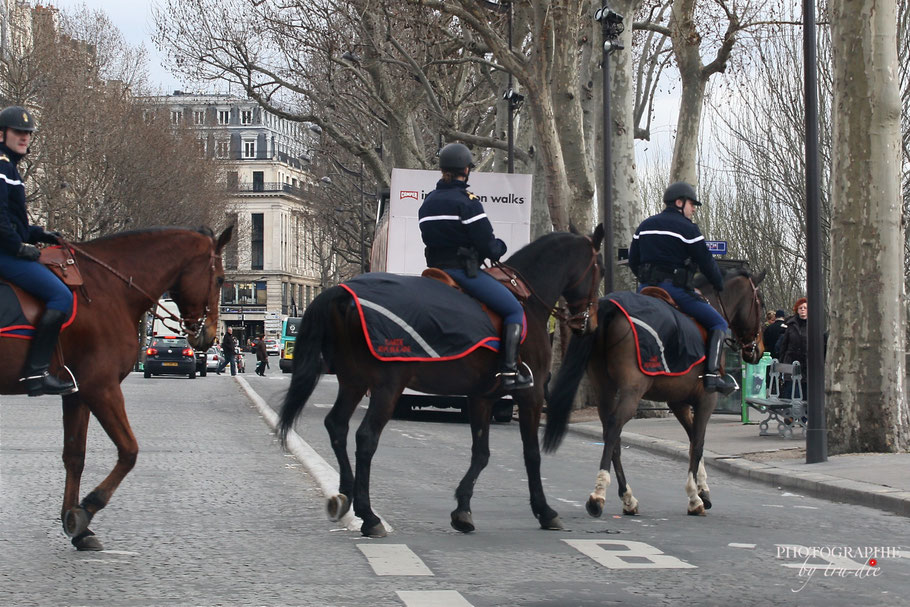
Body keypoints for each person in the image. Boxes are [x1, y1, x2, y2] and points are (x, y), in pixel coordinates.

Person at [418, 142, 531, 390]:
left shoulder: (428, 203)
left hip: (434, 273)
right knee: (514, 311)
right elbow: (488, 247)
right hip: (462, 273)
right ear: (466, 170)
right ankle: (508, 372)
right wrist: (499, 246)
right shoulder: (467, 202)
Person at [628, 181, 734, 395]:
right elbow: (706, 262)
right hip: (675, 291)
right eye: (691, 204)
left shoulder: (644, 226)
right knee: (719, 322)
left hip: (645, 290)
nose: (693, 208)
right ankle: (712, 376)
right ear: (679, 203)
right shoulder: (688, 229)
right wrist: (718, 283)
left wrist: (648, 281)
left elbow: (633, 260)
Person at [0, 105, 76, 396]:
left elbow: (14, 222)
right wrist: (21, 248)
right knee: (61, 296)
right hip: (4, 254)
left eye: (28, 133)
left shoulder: (9, 167)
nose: (24, 137)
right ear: (2, 133)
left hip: (8, 248)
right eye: (18, 132)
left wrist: (39, 234)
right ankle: (36, 373)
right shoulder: (2, 166)